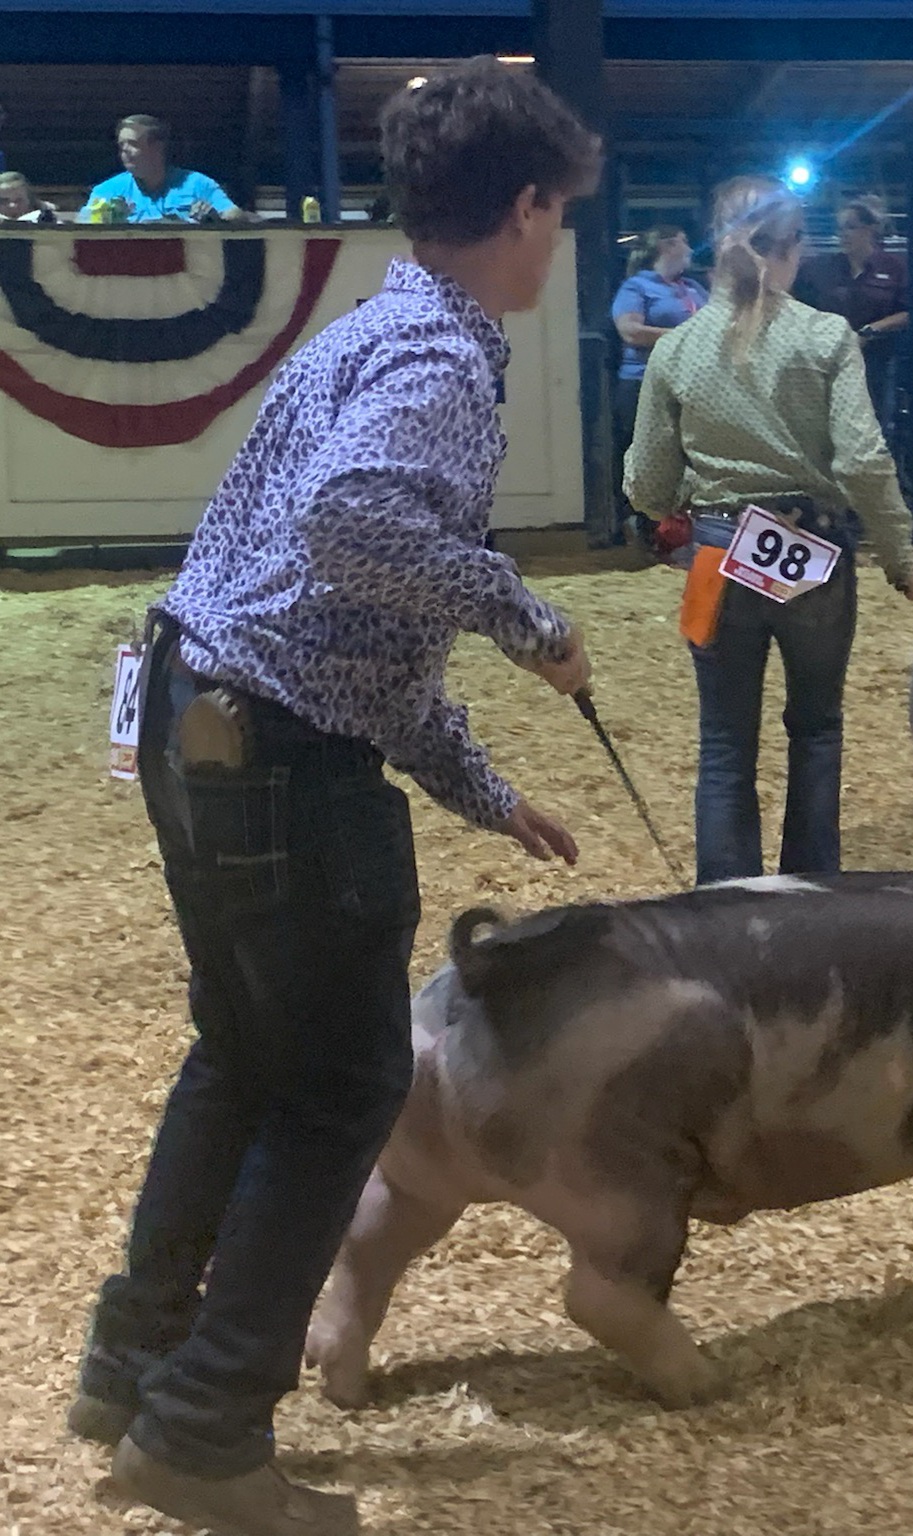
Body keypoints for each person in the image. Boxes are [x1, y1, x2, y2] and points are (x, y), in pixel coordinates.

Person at [66, 57, 601, 1536]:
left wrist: (483, 788)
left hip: (198, 718)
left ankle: (135, 1367)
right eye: (561, 215)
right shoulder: (436, 361)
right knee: (342, 1088)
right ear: (528, 205)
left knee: (240, 1057)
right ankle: (209, 1430)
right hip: (284, 760)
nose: (560, 241)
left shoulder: (366, 329)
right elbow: (353, 523)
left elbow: (349, 619)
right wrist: (525, 616)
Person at [624, 175, 913, 886]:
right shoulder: (825, 338)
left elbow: (644, 485)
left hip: (717, 549)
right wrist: (902, 558)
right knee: (817, 731)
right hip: (815, 547)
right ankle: (809, 905)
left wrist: (691, 503)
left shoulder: (675, 351)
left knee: (724, 745)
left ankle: (727, 917)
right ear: (793, 249)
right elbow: (862, 458)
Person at [611, 225, 707, 535]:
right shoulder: (636, 287)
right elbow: (630, 330)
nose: (690, 250)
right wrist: (684, 337)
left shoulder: (693, 287)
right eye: (684, 242)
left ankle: (683, 528)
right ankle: (642, 526)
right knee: (647, 453)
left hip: (691, 383)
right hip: (643, 382)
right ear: (667, 247)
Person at [793, 194, 910, 437]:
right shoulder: (822, 269)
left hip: (876, 362)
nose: (843, 234)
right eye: (840, 228)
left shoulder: (894, 267)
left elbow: (910, 311)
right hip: (830, 362)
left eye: (851, 227)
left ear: (870, 230)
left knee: (874, 425)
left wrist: (872, 330)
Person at [88, 114, 249, 223]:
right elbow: (80, 225)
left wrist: (216, 219)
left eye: (133, 144)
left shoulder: (198, 184)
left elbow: (237, 217)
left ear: (158, 147)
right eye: (121, 145)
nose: (125, 151)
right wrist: (104, 220)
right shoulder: (108, 190)